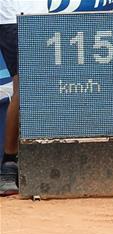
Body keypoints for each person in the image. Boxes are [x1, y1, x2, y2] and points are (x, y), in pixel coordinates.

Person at [0, 1, 45, 196]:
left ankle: (33, 160)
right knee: (25, 87)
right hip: (13, 19)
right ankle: (9, 165)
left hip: (41, 18)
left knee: (40, 88)